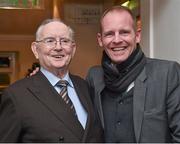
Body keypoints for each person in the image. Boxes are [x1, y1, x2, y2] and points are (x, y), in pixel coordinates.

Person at [86, 6, 180, 143]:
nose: (117, 40)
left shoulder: (167, 73)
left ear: (137, 36)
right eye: (109, 34)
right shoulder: (94, 77)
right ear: (100, 40)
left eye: (124, 32)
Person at [0, 19, 103, 143]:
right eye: (50, 41)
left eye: (64, 41)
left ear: (73, 49)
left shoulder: (84, 86)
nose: (58, 47)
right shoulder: (16, 95)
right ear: (35, 49)